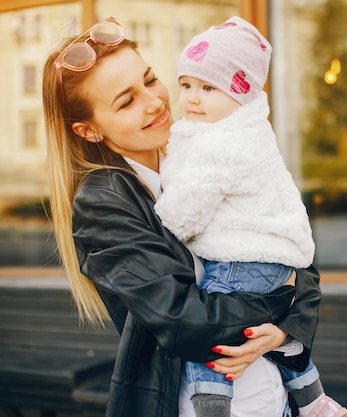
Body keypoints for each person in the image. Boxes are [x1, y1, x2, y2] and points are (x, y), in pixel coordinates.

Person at [42, 16, 323, 417]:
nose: (155, 102)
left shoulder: (201, 149)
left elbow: (293, 250)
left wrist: (283, 330)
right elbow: (184, 321)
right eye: (127, 101)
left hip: (273, 399)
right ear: (88, 131)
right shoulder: (103, 202)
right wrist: (284, 299)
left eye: (151, 79)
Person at [154, 16, 347, 417]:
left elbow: (184, 215)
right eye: (187, 85)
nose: (192, 98)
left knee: (211, 338)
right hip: (275, 263)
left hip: (245, 261)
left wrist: (161, 213)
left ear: (241, 94)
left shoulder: (224, 144)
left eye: (209, 87)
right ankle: (315, 401)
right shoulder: (247, 133)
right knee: (262, 336)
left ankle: (211, 407)